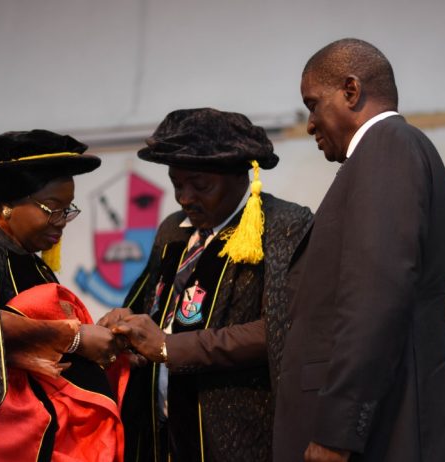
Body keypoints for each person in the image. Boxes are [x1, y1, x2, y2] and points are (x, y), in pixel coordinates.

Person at [273, 38, 445, 462]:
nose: (310, 124)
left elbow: (375, 298)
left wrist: (336, 432)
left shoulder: (387, 145)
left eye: (313, 105)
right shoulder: (386, 152)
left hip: (378, 438)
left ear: (351, 91)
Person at [98, 108, 313, 462]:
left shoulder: (282, 225)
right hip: (162, 431)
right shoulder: (173, 229)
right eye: (176, 184)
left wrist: (169, 347)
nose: (185, 197)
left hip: (236, 432)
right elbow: (152, 304)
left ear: (242, 176)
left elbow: (278, 330)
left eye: (200, 186)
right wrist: (127, 325)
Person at [0, 130, 128, 462]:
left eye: (68, 209)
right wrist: (74, 338)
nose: (62, 221)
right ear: (8, 203)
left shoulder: (27, 257)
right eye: (52, 208)